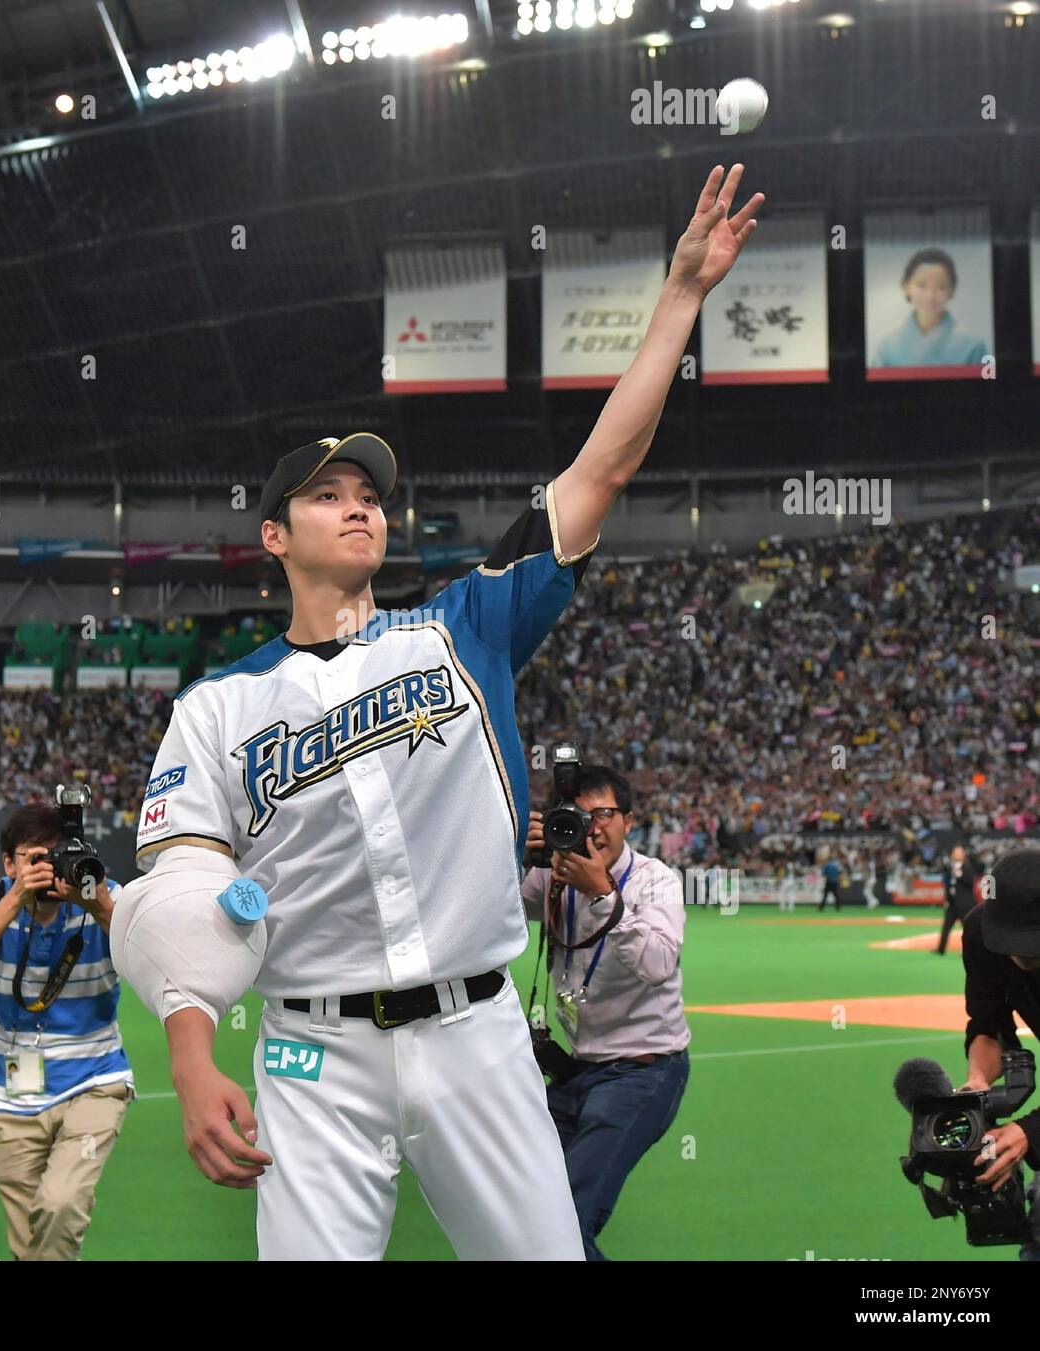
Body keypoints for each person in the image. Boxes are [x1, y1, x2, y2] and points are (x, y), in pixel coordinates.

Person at [112, 164, 762, 1260]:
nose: (358, 503)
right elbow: (179, 890)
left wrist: (680, 301)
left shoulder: (463, 626)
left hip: (478, 1033)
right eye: (326, 493)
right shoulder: (217, 706)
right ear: (273, 535)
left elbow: (600, 469)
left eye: (368, 493)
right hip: (310, 1055)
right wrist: (188, 1048)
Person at [0, 804, 133, 1262]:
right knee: (28, 1237)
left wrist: (98, 905)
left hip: (94, 1079)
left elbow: (151, 954)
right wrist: (16, 900)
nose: (47, 868)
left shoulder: (103, 894)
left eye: (56, 856)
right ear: (9, 864)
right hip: (15, 1086)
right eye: (34, 859)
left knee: (59, 1203)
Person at [521, 766, 690, 1261]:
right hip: (578, 1071)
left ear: (628, 821)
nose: (592, 827)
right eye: (578, 815)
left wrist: (601, 896)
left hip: (643, 1070)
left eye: (604, 814)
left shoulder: (655, 880)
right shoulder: (553, 874)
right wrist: (514, 854)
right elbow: (490, 909)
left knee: (567, 1222)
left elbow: (658, 964)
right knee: (522, 1206)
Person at [958, 849, 1040, 1260]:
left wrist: (1031, 1131)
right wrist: (977, 1086)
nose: (1019, 955)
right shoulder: (980, 933)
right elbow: (988, 1023)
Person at [872, 247, 987, 370]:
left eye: (941, 287)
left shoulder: (973, 346)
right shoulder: (887, 347)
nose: (930, 296)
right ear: (905, 286)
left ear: (952, 290)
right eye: (921, 285)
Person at [937, 843, 978, 956]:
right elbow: (947, 884)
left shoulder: (967, 867)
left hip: (965, 905)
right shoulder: (950, 868)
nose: (957, 854)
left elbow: (970, 882)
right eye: (955, 852)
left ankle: (971, 951)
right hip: (952, 904)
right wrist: (947, 899)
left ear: (963, 854)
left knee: (968, 930)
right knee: (946, 927)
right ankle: (940, 949)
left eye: (959, 852)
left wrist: (960, 875)